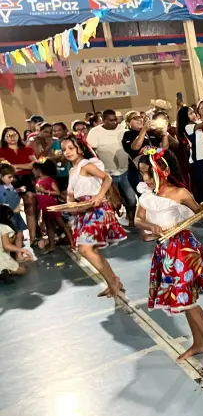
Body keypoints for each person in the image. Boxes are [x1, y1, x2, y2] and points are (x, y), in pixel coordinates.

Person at [136, 148, 203, 372]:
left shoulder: (180, 193)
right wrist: (150, 226)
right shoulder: (146, 195)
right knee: (184, 301)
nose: (145, 178)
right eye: (143, 173)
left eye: (149, 173)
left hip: (183, 250)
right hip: (164, 251)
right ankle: (199, 343)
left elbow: (199, 212)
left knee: (188, 301)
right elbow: (138, 219)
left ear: (164, 171)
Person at [63, 135, 127, 296]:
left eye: (71, 148)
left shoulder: (86, 165)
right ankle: (114, 281)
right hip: (83, 211)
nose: (67, 152)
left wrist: (99, 196)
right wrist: (70, 205)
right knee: (91, 250)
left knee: (85, 249)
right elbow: (70, 194)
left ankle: (113, 282)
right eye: (64, 149)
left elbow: (107, 178)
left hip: (96, 210)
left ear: (80, 148)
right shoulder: (72, 170)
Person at [87, 109, 136, 226]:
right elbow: (91, 152)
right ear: (103, 120)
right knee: (113, 202)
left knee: (131, 199)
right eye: (111, 120)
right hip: (107, 174)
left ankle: (131, 220)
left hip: (124, 171)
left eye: (115, 120)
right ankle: (114, 225)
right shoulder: (95, 132)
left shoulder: (122, 130)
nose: (114, 122)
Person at [122, 110, 176, 193]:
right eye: (135, 118)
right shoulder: (128, 135)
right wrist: (144, 130)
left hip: (157, 169)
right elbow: (135, 147)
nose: (139, 119)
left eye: (140, 117)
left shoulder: (151, 133)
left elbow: (164, 148)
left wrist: (164, 134)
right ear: (128, 123)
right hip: (142, 174)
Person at [0, 127, 38, 242]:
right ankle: (16, 238)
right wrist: (24, 166)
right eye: (9, 135)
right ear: (4, 138)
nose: (12, 137)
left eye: (14, 134)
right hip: (10, 181)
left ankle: (33, 238)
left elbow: (33, 164)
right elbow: (5, 167)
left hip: (27, 179)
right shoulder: (1, 151)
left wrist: (14, 166)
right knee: (11, 209)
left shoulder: (27, 149)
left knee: (30, 208)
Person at [33, 158, 72, 252]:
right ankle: (52, 246)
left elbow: (57, 192)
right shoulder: (37, 181)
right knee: (49, 226)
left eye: (34, 170)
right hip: (44, 207)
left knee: (62, 225)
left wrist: (45, 191)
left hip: (52, 207)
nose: (33, 172)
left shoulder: (49, 180)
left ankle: (72, 242)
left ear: (39, 170)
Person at [0, 204, 32, 277]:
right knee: (23, 270)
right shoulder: (4, 227)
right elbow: (6, 246)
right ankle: (6, 271)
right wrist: (22, 250)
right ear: (8, 217)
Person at [0, 164, 26, 236]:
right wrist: (13, 210)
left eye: (12, 177)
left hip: (16, 214)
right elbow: (3, 202)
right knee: (12, 234)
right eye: (9, 177)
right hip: (7, 216)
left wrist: (18, 190)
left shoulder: (10, 185)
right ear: (1, 176)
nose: (11, 179)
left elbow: (11, 193)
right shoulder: (1, 189)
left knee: (20, 234)